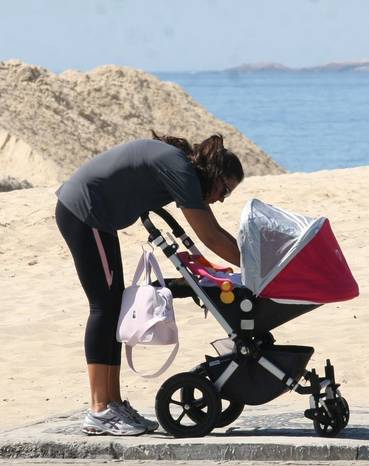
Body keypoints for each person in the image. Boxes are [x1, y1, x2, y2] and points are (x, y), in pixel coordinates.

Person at [55, 132, 244, 436]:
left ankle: (112, 404)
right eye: (226, 190)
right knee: (103, 308)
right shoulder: (182, 170)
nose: (222, 199)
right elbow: (210, 237)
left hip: (94, 215)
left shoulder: (182, 169)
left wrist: (250, 261)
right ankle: (99, 409)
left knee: (112, 307)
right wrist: (256, 267)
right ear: (214, 174)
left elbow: (215, 230)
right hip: (84, 212)